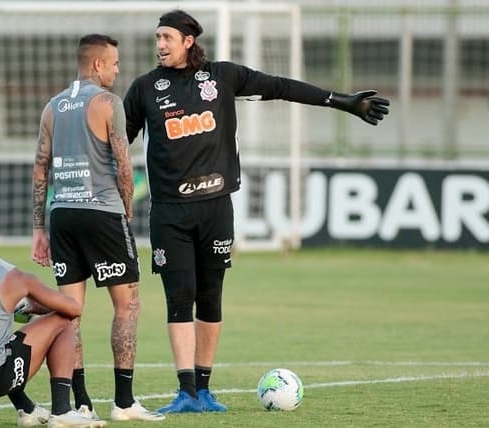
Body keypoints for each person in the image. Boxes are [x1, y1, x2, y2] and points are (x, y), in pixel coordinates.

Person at [123, 9, 390, 414]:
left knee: (211, 298)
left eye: (167, 38)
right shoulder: (144, 88)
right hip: (169, 213)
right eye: (157, 37)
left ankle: (205, 390)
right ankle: (185, 392)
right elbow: (117, 142)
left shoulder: (222, 78)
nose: (159, 44)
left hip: (216, 209)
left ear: (188, 41)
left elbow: (281, 86)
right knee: (180, 298)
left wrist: (342, 101)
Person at [30, 34, 164, 422]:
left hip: (63, 215)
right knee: (128, 305)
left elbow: (41, 167)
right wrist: (126, 208)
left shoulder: (52, 106)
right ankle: (123, 401)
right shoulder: (108, 103)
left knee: (70, 312)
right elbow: (123, 162)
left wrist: (39, 227)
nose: (119, 70)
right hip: (102, 214)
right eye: (116, 63)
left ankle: (81, 401)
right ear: (97, 65)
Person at [0, 209, 106, 428]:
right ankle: (62, 411)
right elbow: (73, 308)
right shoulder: (16, 277)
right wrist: (32, 306)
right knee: (64, 321)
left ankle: (27, 410)